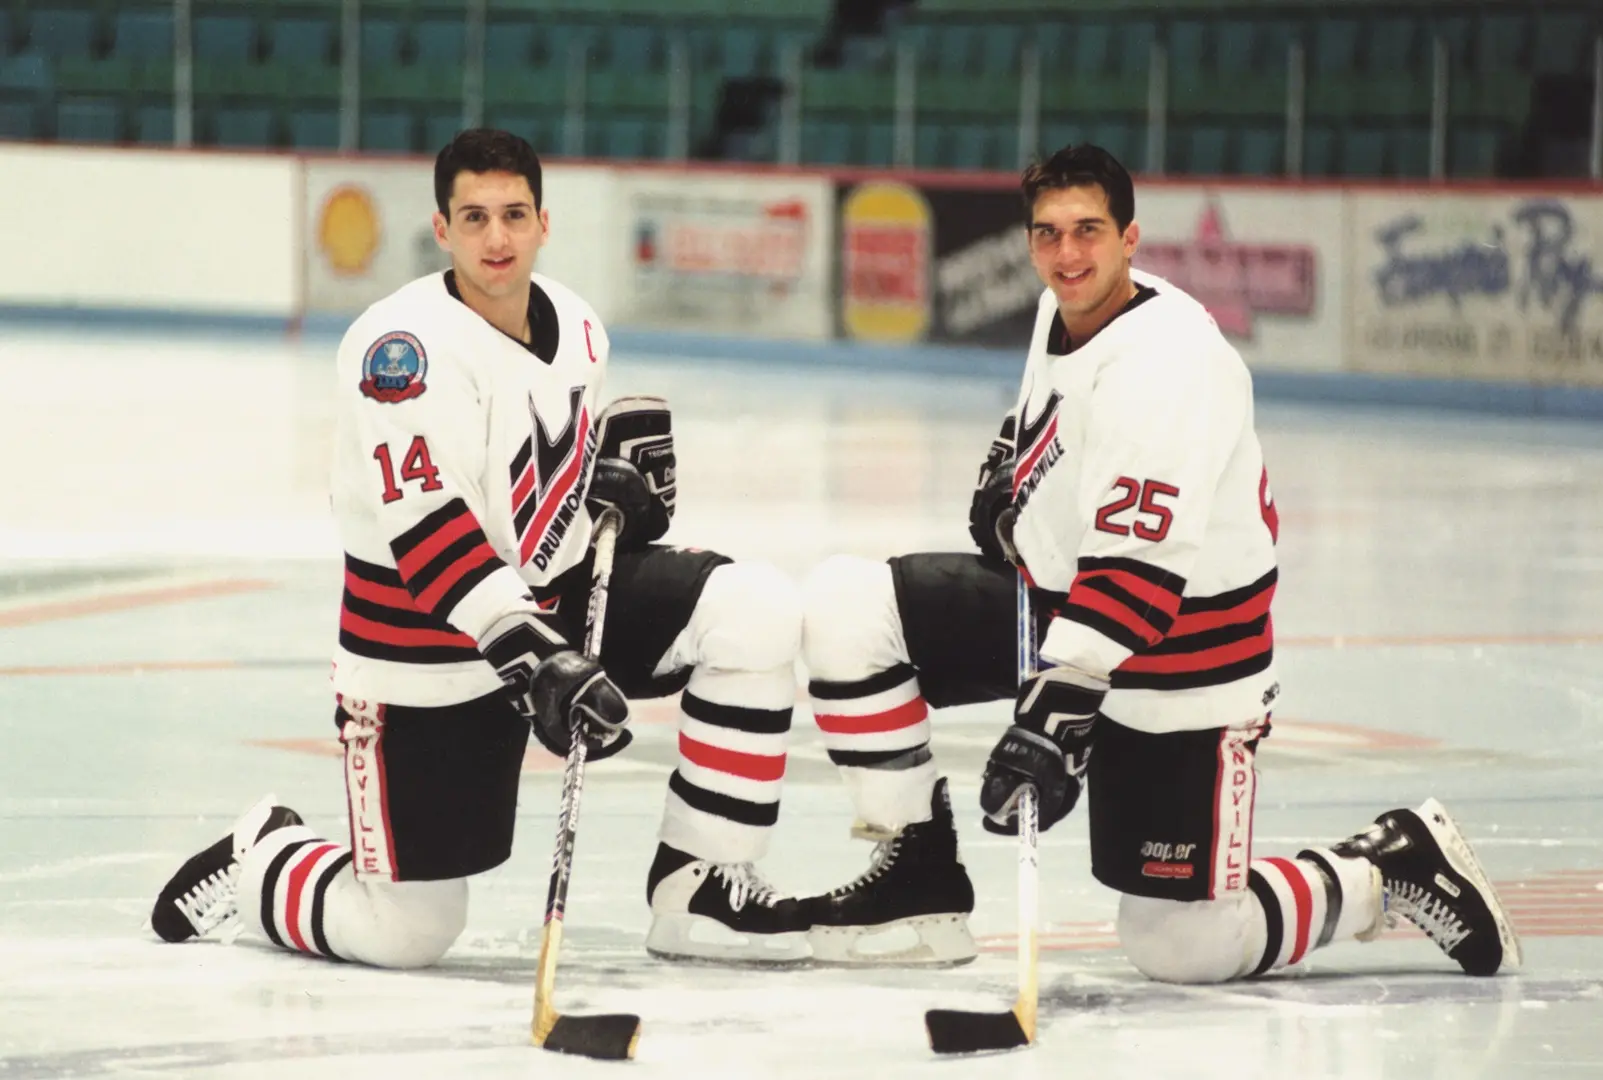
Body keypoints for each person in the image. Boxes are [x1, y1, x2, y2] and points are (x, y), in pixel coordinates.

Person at [797, 144, 1522, 982]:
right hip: (1061, 612)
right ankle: (918, 873)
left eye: (1088, 233)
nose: (1066, 256)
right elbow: (1041, 423)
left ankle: (1381, 869)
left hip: (1178, 654)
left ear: (1130, 236)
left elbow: (1139, 577)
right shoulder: (1061, 309)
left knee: (1180, 946)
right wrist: (1009, 485)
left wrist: (1052, 715)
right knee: (847, 610)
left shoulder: (1167, 367)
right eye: (1048, 235)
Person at [149, 129, 810, 969]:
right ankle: (264, 856)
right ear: (441, 229)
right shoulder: (399, 353)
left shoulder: (577, 325)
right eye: (474, 218)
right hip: (426, 650)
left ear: (542, 222)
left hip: (554, 610)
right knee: (408, 933)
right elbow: (430, 535)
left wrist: (609, 497)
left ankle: (701, 887)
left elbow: (536, 486)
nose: (496, 238)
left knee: (754, 612)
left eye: (512, 215)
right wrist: (538, 662)